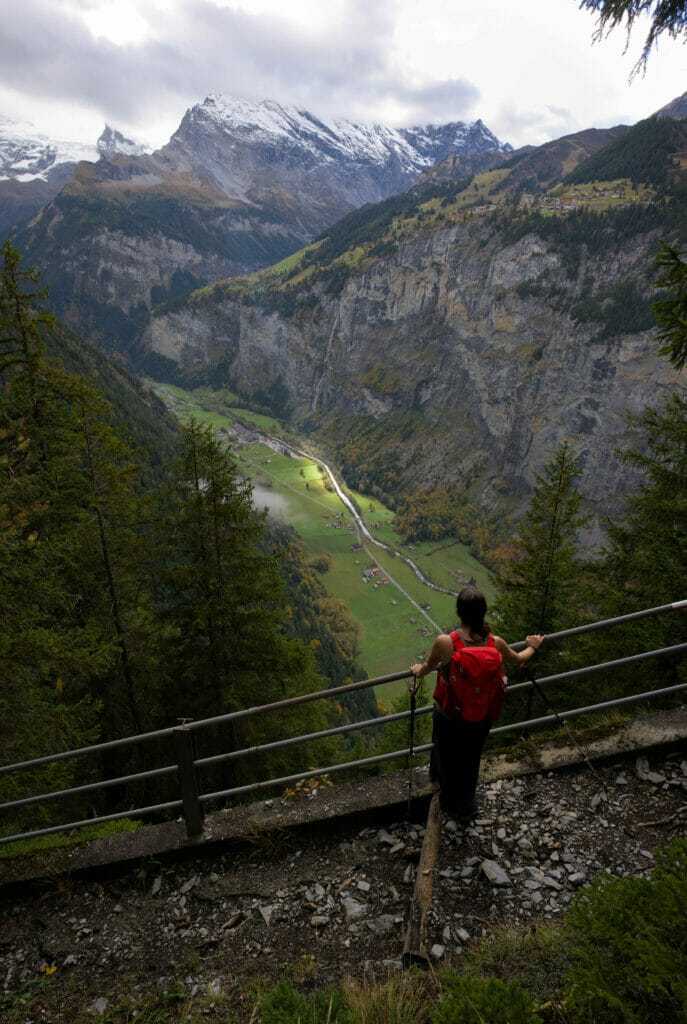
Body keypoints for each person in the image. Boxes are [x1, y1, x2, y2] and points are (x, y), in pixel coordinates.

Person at [410, 586, 544, 824]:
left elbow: (426, 670)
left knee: (448, 755)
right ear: (483, 613)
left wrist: (416, 671)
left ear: (458, 612)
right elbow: (518, 659)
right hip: (481, 715)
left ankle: (447, 801)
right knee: (471, 758)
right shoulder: (496, 644)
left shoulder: (445, 643)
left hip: (450, 714)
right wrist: (533, 645)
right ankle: (467, 804)